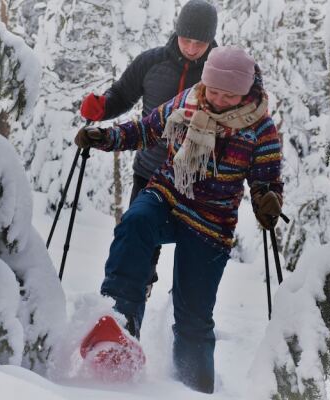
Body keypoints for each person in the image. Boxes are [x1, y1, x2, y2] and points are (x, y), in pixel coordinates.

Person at [75, 46, 284, 393]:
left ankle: (193, 387)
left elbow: (267, 177)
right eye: (213, 89)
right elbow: (146, 131)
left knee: (193, 319)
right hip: (170, 193)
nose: (216, 99)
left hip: (212, 221)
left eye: (228, 94)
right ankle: (120, 326)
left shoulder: (260, 128)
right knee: (135, 222)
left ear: (245, 92)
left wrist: (267, 198)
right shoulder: (188, 101)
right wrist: (105, 137)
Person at [79, 0, 219, 298]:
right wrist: (102, 107)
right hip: (150, 172)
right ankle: (132, 304)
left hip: (199, 179)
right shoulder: (151, 62)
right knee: (138, 247)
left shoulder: (219, 71)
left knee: (193, 260)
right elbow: (122, 94)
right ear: (176, 32)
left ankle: (181, 312)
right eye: (186, 39)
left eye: (200, 42)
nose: (192, 48)